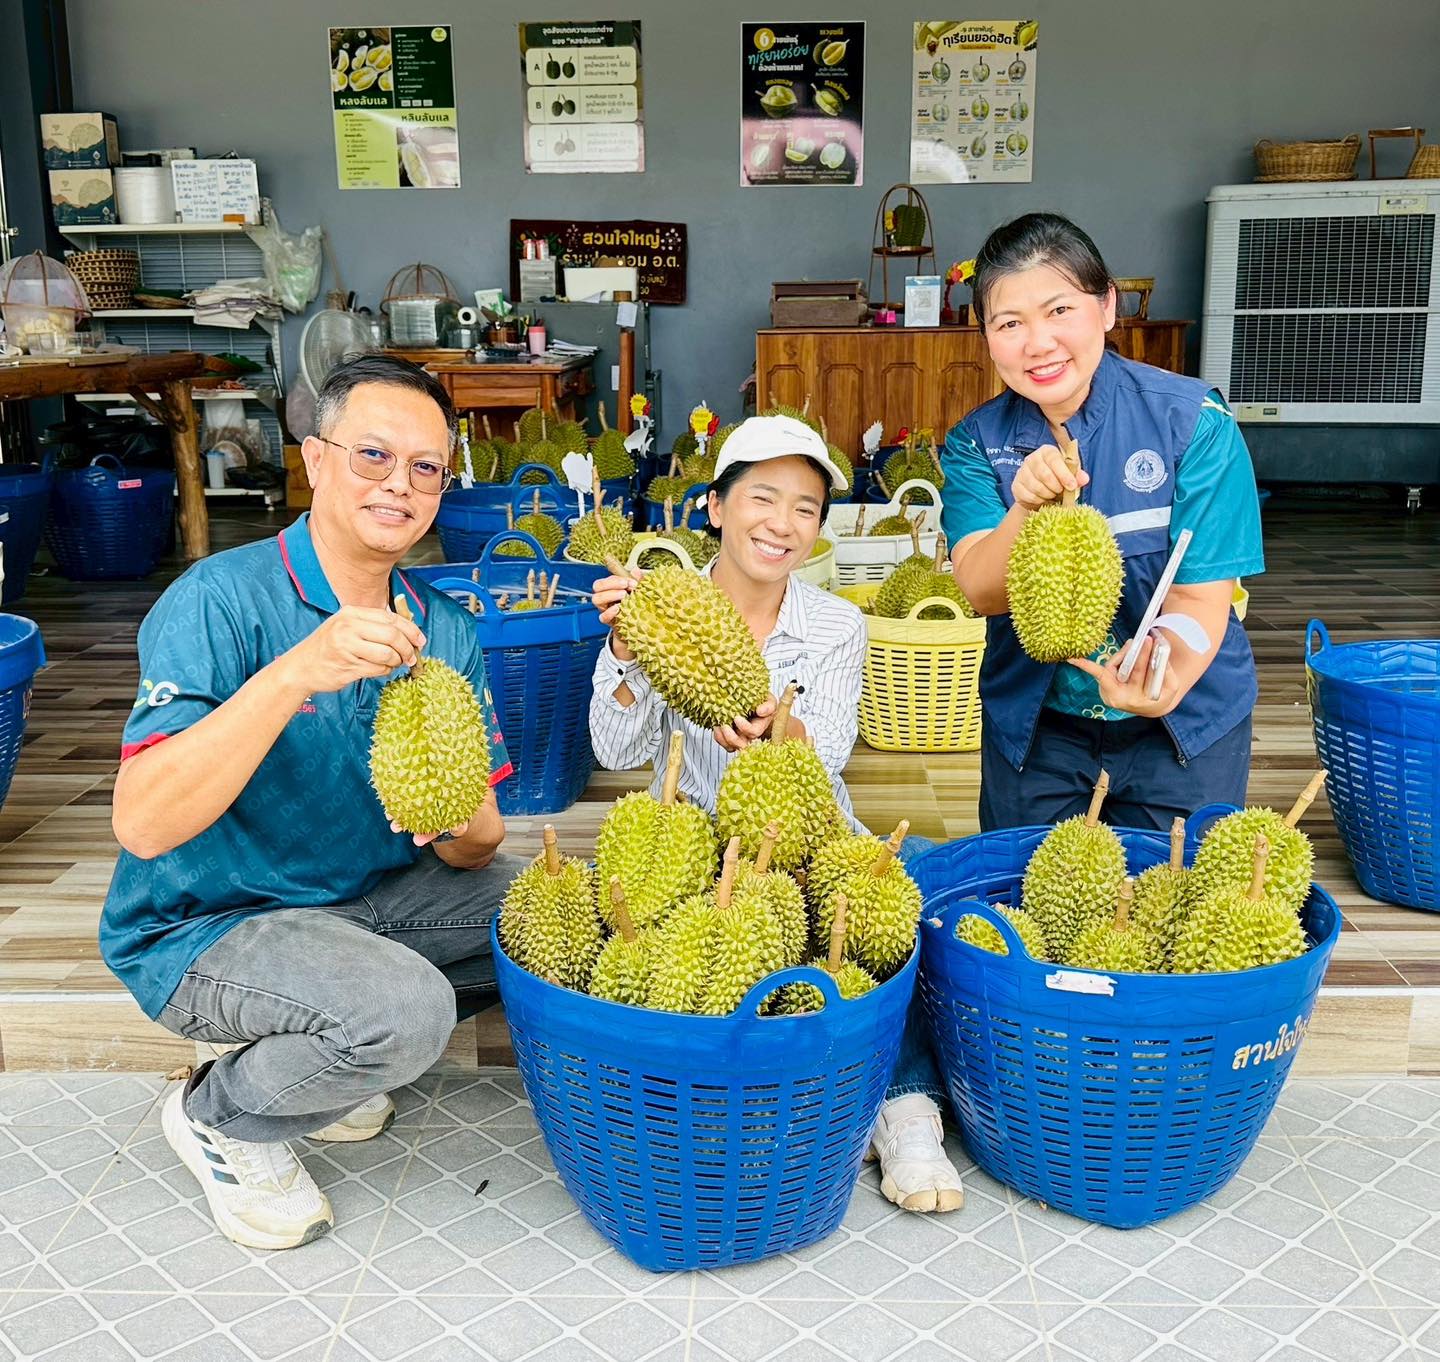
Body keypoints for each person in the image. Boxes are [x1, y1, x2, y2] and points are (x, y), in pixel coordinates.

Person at [100, 355, 523, 1252]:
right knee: (407, 1013)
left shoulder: (442, 629)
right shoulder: (220, 599)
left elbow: (471, 846)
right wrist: (299, 669)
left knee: (548, 919)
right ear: (316, 459)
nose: (399, 485)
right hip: (207, 924)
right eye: (373, 455)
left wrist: (465, 819)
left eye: (425, 468)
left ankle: (332, 1044)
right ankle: (218, 1112)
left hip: (364, 907)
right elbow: (142, 821)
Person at [588, 413, 965, 1214]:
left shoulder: (836, 624)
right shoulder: (658, 611)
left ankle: (906, 1110)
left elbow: (823, 754)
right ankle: (707, 1116)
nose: (783, 523)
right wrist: (624, 653)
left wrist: (772, 722)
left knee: (888, 931)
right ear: (716, 508)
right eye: (763, 498)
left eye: (805, 507)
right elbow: (616, 750)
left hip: (811, 838)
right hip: (690, 850)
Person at [945, 212, 1265, 831]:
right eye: (1009, 323)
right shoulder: (975, 444)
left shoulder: (1194, 424)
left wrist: (1160, 672)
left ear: (1108, 307)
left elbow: (1201, 596)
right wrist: (1025, 510)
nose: (1037, 343)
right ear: (985, 335)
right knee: (1028, 905)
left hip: (1182, 722)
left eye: (1059, 310)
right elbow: (982, 591)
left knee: (1172, 902)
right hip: (1040, 730)